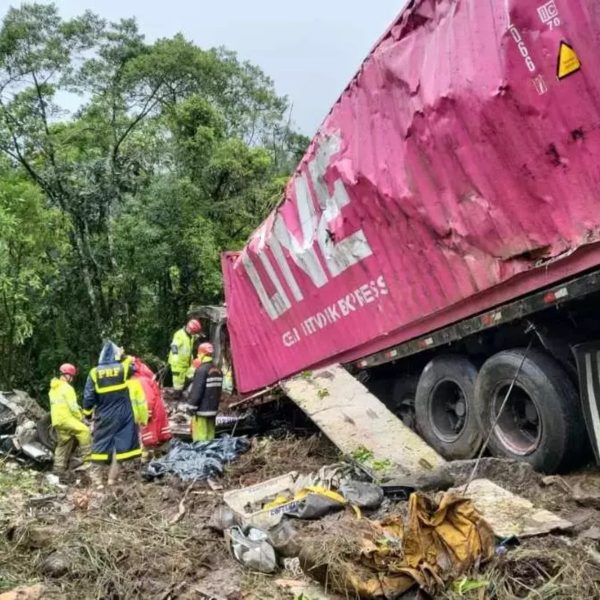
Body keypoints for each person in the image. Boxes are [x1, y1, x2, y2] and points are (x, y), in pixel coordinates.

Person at [83, 341, 148, 487]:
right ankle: (112, 479)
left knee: (100, 444)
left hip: (104, 415)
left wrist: (87, 413)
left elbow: (88, 397)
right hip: (124, 415)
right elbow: (134, 366)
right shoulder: (122, 368)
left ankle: (97, 481)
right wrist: (123, 355)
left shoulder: (94, 373)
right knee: (121, 446)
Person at [49, 363, 92, 474]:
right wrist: (81, 418)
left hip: (57, 421)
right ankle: (88, 461)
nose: (72, 379)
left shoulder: (53, 389)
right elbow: (73, 407)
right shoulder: (67, 388)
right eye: (71, 376)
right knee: (85, 431)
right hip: (66, 419)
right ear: (67, 375)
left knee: (63, 443)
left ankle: (58, 469)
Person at [133, 357, 172, 460]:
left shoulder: (140, 380)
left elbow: (148, 398)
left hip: (150, 412)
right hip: (154, 410)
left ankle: (146, 462)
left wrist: (146, 412)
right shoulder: (144, 378)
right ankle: (156, 458)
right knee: (154, 439)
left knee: (149, 439)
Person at [186, 343, 223, 442]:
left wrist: (191, 407)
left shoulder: (201, 370)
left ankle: (201, 454)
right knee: (211, 436)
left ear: (201, 354)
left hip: (201, 411)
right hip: (213, 409)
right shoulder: (218, 370)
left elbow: (197, 391)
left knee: (201, 438)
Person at [168, 319, 203, 391]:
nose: (194, 334)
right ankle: (177, 395)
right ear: (190, 329)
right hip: (178, 364)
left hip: (186, 363)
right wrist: (175, 355)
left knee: (189, 378)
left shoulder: (191, 336)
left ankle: (183, 393)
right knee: (178, 384)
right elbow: (174, 346)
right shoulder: (179, 334)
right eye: (194, 332)